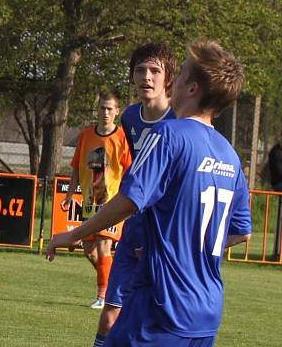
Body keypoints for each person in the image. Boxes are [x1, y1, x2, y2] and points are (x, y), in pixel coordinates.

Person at [48, 39, 252, 346]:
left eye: (180, 73)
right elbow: (241, 232)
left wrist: (73, 234)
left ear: (192, 88)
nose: (173, 81)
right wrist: (186, 248)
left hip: (161, 304)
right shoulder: (229, 156)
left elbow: (129, 202)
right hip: (206, 310)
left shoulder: (169, 135)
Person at [92, 42, 177, 345]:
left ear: (168, 78)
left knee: (156, 321)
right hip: (134, 226)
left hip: (166, 234)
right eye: (140, 70)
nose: (147, 76)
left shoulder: (180, 120)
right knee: (110, 315)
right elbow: (135, 168)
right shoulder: (129, 118)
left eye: (155, 70)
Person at [62, 91, 131, 309]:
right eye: (102, 108)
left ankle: (104, 297)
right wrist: (70, 194)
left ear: (117, 112)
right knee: (89, 251)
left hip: (112, 201)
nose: (106, 112)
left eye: (110, 108)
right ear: (97, 109)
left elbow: (130, 172)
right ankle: (112, 285)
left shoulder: (122, 138)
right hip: (91, 200)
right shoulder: (85, 136)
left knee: (103, 245)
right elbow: (76, 168)